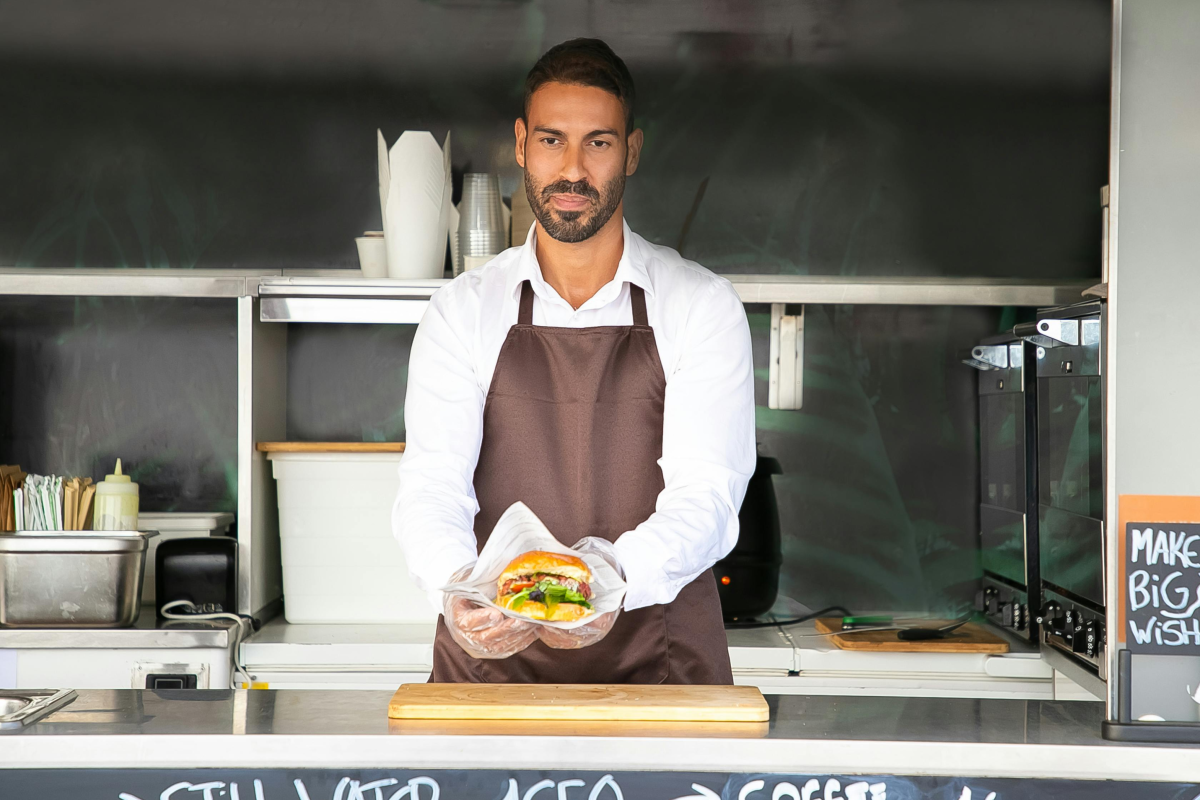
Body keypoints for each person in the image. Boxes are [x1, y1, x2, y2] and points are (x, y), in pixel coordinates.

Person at [392, 37, 755, 684]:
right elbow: (432, 488)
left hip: (661, 668)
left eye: (599, 142)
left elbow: (708, 496)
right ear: (522, 145)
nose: (573, 171)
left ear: (632, 152)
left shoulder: (700, 306)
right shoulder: (463, 311)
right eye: (553, 140)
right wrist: (457, 585)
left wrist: (607, 582)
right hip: (492, 663)